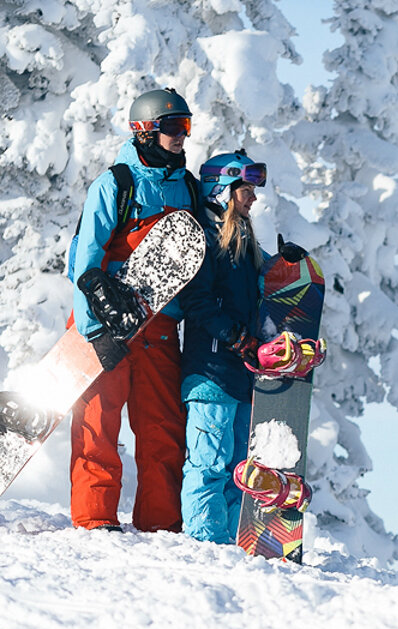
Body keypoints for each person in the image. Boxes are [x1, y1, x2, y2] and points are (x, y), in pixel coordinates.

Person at [68, 88, 200, 533]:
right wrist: (93, 332)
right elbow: (83, 262)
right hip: (105, 319)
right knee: (97, 420)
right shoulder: (117, 184)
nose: (181, 136)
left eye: (185, 126)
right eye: (171, 127)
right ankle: (95, 517)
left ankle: (161, 525)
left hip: (159, 323)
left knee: (163, 425)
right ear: (145, 130)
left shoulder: (189, 189)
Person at [177, 150, 269, 544]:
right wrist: (234, 335)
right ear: (222, 189)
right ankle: (204, 544)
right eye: (245, 189)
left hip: (240, 371)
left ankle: (232, 543)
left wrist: (285, 267)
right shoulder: (205, 236)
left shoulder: (244, 241)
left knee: (237, 468)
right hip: (210, 369)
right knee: (209, 463)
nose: (252, 197)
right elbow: (197, 303)